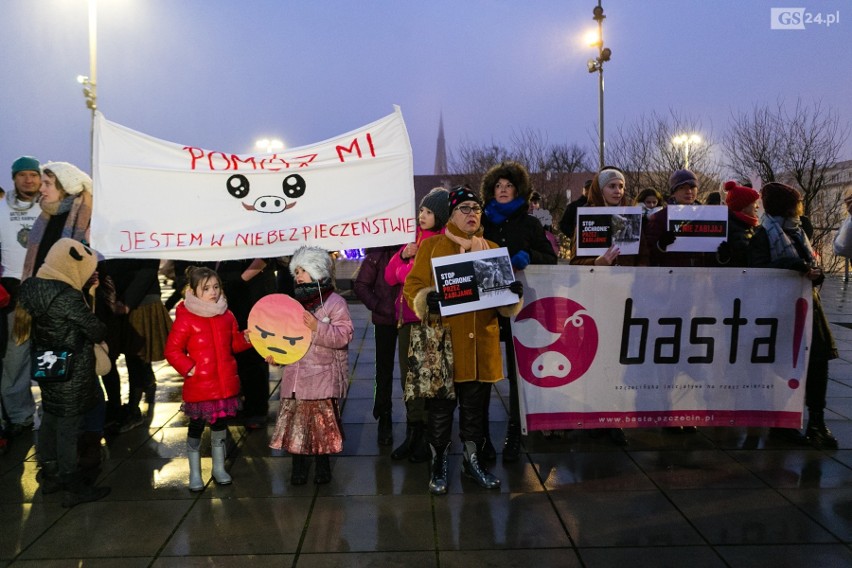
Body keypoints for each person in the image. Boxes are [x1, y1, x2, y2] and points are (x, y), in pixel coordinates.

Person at [404, 186, 523, 495]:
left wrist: (512, 294)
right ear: (453, 214)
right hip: (444, 345)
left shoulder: (491, 248)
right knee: (440, 411)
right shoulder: (432, 247)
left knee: (474, 411)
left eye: (477, 209)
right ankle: (438, 463)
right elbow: (412, 284)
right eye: (466, 208)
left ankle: (472, 463)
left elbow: (504, 303)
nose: (473, 214)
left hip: (480, 345)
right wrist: (425, 299)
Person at [17, 238, 110, 507]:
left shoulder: (33, 286)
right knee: (69, 425)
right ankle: (73, 483)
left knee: (51, 417)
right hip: (73, 369)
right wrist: (87, 295)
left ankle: (51, 473)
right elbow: (96, 330)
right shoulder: (67, 296)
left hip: (48, 364)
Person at [748, 182, 839, 449]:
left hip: (809, 307)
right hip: (782, 313)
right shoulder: (764, 235)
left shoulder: (798, 232)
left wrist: (815, 273)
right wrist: (795, 266)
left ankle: (816, 421)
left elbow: (813, 265)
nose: (798, 210)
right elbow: (759, 270)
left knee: (818, 362)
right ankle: (783, 423)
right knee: (784, 366)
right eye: (794, 205)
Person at [481, 162, 556, 462]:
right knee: (484, 369)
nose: (502, 189)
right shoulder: (481, 221)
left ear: (517, 189)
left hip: (519, 305)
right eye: (497, 186)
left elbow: (550, 258)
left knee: (516, 370)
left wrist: (530, 256)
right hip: (485, 306)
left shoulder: (529, 224)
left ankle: (516, 426)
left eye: (507, 185)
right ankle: (481, 433)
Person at [269, 246, 353, 485]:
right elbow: (285, 337)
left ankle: (322, 466)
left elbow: (343, 335)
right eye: (295, 271)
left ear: (316, 272)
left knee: (321, 425)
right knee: (297, 424)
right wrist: (277, 354)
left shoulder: (335, 303)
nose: (297, 276)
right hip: (296, 377)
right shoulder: (294, 304)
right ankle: (298, 466)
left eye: (302, 271)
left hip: (322, 377)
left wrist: (318, 328)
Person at [165, 266, 252, 491]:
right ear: (193, 291)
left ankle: (219, 468)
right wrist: (189, 368)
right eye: (206, 289)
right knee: (196, 426)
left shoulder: (227, 314)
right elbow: (172, 350)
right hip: (200, 386)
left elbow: (232, 344)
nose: (213, 292)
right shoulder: (186, 318)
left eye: (216, 287)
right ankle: (195, 472)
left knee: (219, 426)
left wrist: (245, 339)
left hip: (223, 385)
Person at [569, 167, 634, 445]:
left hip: (623, 297)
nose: (617, 191)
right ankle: (591, 415)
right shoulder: (585, 220)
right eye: (612, 186)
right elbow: (574, 262)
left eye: (621, 186)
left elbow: (640, 257)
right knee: (594, 357)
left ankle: (613, 418)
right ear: (600, 189)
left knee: (617, 359)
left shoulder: (631, 219)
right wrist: (597, 264)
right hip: (595, 298)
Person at [384, 187, 449, 462]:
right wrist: (402, 257)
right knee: (407, 380)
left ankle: (425, 438)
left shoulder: (441, 243)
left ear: (441, 216)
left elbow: (419, 280)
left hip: (428, 322)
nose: (422, 216)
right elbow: (390, 276)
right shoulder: (413, 241)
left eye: (429, 212)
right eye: (421, 210)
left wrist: (404, 271)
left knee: (425, 380)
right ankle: (412, 434)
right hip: (405, 321)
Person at [101, 258, 172, 433]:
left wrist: (127, 302)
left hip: (140, 301)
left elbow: (148, 269)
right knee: (109, 355)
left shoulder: (140, 234)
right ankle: (116, 407)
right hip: (112, 298)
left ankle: (132, 409)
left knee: (136, 357)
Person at [0, 156, 42, 444]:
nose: (29, 180)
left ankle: (56, 413)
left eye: (33, 175)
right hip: (17, 296)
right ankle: (20, 416)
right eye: (22, 175)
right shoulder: (2, 209)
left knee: (53, 354)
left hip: (47, 290)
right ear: (13, 178)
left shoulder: (49, 206)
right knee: (16, 359)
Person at [216, 258, 276, 429]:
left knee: (252, 346)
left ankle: (256, 408)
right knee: (231, 345)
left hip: (250, 288)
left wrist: (242, 278)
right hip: (227, 281)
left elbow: (266, 252)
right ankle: (242, 403)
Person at [353, 245, 400, 447]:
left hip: (412, 318)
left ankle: (418, 421)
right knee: (384, 370)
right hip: (386, 318)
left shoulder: (416, 245)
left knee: (414, 372)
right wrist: (380, 306)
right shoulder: (378, 253)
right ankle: (385, 417)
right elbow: (361, 285)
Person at [639, 169, 717, 268]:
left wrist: (721, 255)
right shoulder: (659, 218)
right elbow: (647, 255)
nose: (689, 191)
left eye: (692, 187)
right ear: (673, 192)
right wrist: (661, 245)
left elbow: (711, 255)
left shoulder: (708, 216)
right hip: (672, 278)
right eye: (682, 187)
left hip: (700, 279)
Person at [716, 180, 760, 268]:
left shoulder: (748, 226)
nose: (757, 206)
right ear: (743, 207)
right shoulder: (732, 229)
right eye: (754, 203)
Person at [559, 179, 592, 243]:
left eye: (591, 189)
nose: (589, 191)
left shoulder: (599, 206)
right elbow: (563, 224)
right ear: (583, 190)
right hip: (578, 245)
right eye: (587, 189)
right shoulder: (573, 206)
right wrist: (574, 235)